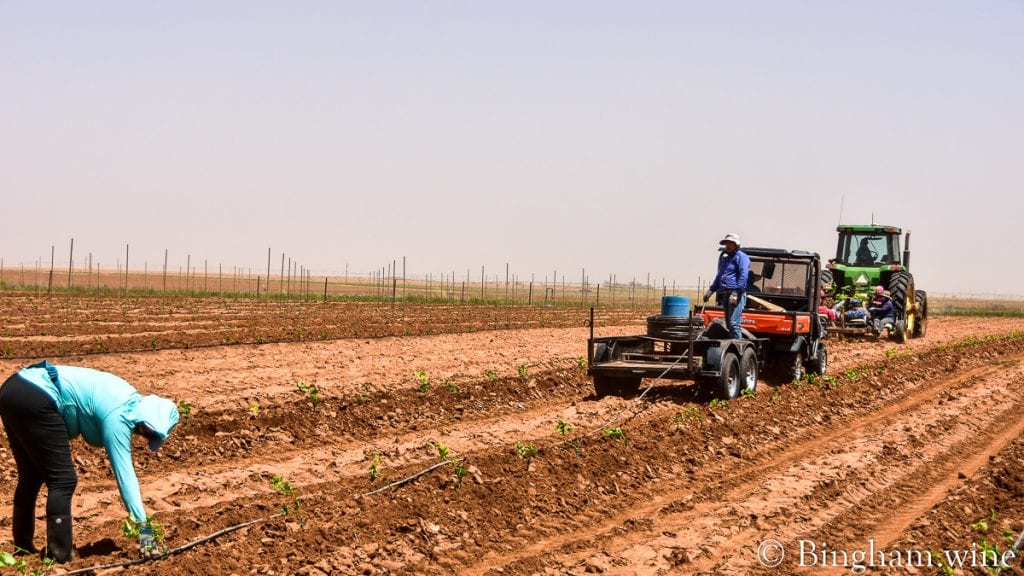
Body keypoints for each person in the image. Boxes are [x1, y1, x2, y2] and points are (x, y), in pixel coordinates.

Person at [0, 361, 179, 563]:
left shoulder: (127, 396)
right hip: (37, 395)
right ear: (146, 414)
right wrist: (145, 532)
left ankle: (22, 548)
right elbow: (125, 476)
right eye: (148, 428)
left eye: (151, 435)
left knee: (31, 475)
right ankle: (60, 555)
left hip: (15, 389)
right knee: (63, 480)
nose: (144, 434)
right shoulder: (120, 415)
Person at [703, 233, 750, 339]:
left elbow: (743, 276)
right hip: (726, 294)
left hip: (736, 294)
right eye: (726, 243)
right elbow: (719, 276)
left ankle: (738, 346)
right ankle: (733, 342)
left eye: (730, 243)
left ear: (736, 245)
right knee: (729, 324)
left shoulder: (742, 257)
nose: (727, 245)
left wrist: (736, 291)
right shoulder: (726, 259)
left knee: (734, 323)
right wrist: (711, 291)